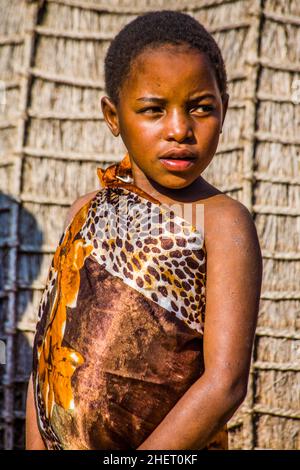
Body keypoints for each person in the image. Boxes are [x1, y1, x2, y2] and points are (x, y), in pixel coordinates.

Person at [25, 10, 263, 450]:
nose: (180, 129)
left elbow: (225, 383)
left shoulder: (223, 222)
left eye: (201, 108)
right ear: (113, 117)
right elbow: (48, 349)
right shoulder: (86, 211)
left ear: (224, 111)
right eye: (154, 110)